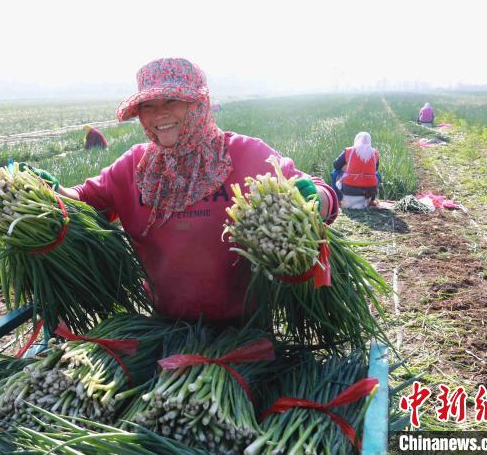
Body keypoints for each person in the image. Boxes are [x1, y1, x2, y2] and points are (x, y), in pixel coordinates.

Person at [30, 58, 339, 323]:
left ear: (200, 104)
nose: (159, 114)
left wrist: (313, 199)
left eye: (172, 101)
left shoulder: (245, 154)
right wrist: (51, 192)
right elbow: (84, 200)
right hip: (164, 325)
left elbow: (324, 196)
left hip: (245, 326)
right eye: (148, 106)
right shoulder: (134, 166)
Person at [330, 132, 380, 208]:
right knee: (377, 175)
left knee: (334, 173)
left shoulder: (349, 151)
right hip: (369, 190)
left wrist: (348, 167)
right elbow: (375, 169)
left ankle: (337, 200)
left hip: (349, 188)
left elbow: (336, 165)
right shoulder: (375, 153)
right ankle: (372, 200)